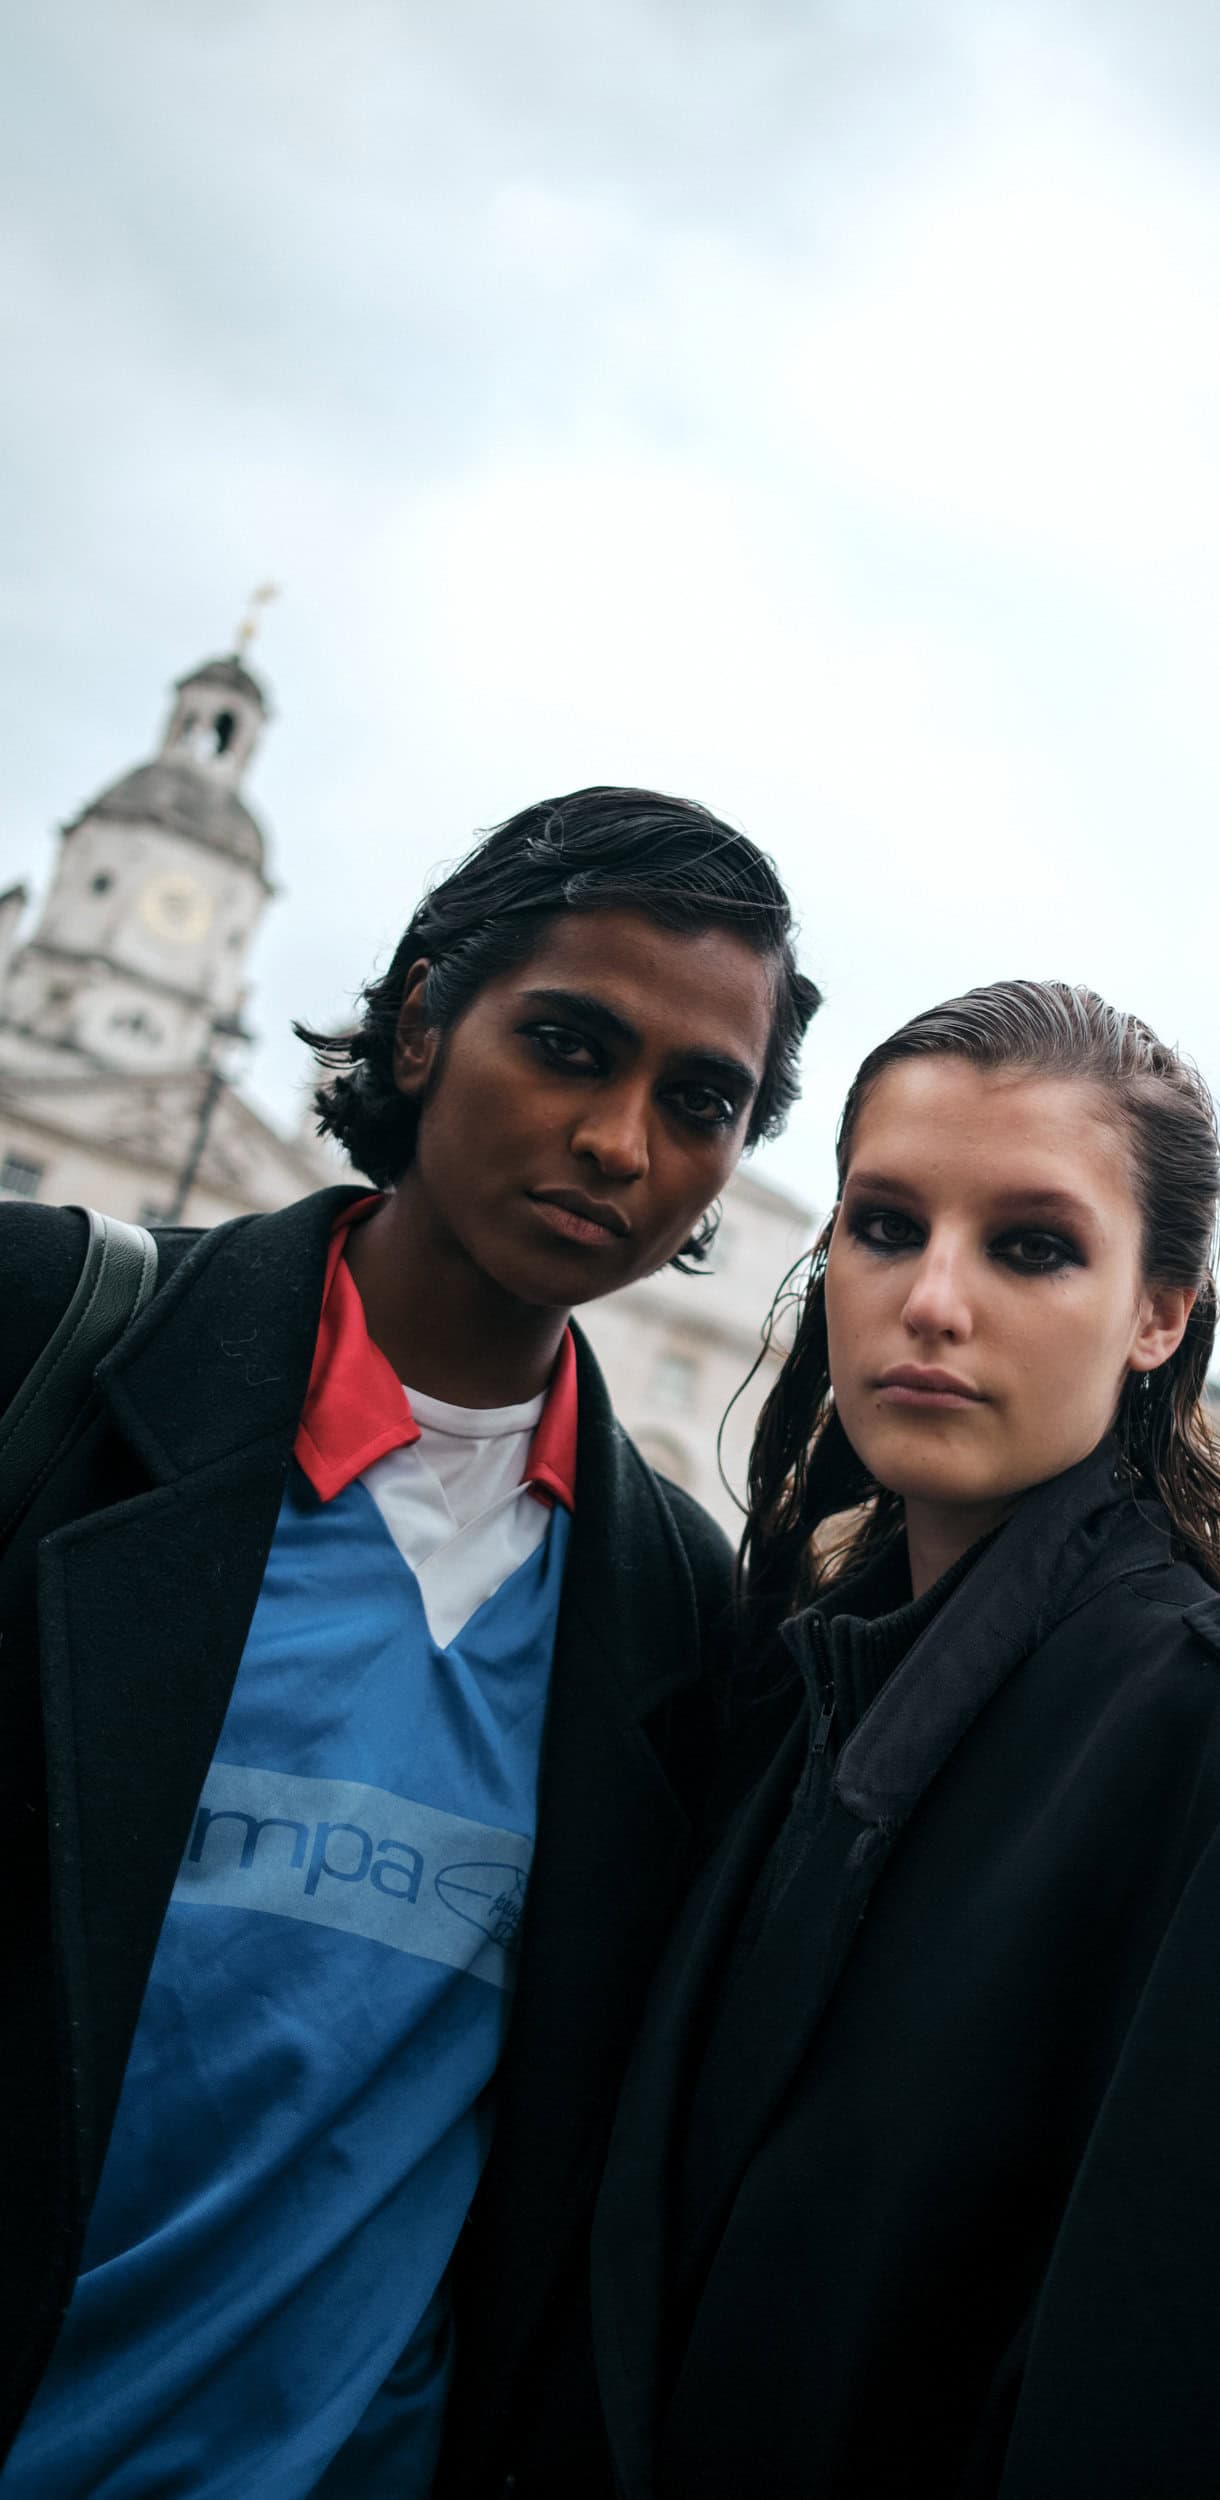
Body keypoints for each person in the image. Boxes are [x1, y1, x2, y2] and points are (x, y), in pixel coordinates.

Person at [0, 788, 819, 2498]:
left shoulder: (677, 1608)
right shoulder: (41, 1337)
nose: (618, 1141)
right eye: (569, 1045)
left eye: (700, 1100)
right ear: (426, 1018)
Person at [576, 981, 1220, 2500]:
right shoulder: (775, 1690)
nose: (931, 1298)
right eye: (883, 1226)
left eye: (1031, 1246)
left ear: (1159, 1313)